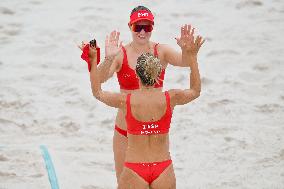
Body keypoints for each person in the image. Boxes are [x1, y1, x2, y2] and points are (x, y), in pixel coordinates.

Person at [79, 5, 204, 182]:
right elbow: (98, 80)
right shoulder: (120, 54)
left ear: (153, 28)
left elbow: (185, 61)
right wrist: (108, 58)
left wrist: (187, 50)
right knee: (124, 181)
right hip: (124, 131)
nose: (143, 32)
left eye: (148, 27)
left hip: (154, 130)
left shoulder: (161, 51)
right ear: (130, 27)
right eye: (138, 27)